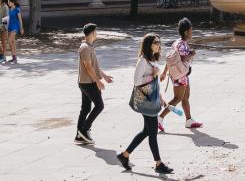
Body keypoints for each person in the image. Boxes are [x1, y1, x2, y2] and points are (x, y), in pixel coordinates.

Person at [118, 33, 173, 175]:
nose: (158, 45)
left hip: (152, 100)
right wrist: (153, 75)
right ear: (148, 44)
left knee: (147, 131)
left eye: (159, 42)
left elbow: (154, 83)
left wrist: (160, 97)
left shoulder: (153, 59)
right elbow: (137, 81)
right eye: (155, 42)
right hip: (145, 101)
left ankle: (124, 155)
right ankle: (159, 163)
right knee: (152, 132)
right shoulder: (143, 61)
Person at [160, 17, 202, 131]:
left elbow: (170, 59)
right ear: (186, 32)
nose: (192, 32)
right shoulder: (182, 45)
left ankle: (189, 120)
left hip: (180, 74)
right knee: (177, 98)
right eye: (191, 30)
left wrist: (164, 72)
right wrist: (192, 53)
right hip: (180, 75)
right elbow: (183, 59)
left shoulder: (176, 43)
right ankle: (160, 118)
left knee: (185, 97)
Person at [75, 23, 113, 145]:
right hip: (88, 82)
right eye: (95, 32)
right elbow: (88, 67)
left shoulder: (89, 46)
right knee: (99, 106)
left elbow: (94, 65)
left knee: (85, 108)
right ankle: (84, 130)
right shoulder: (85, 48)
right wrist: (97, 81)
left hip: (85, 82)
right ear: (92, 33)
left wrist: (105, 76)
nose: (96, 34)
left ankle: (79, 136)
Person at [5, 0, 23, 64]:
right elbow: (6, 19)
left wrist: (21, 28)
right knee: (13, 42)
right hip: (9, 27)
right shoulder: (9, 10)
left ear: (12, 2)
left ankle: (14, 56)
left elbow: (20, 19)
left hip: (15, 27)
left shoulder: (17, 9)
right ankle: (14, 58)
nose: (8, 3)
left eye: (9, 2)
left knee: (9, 41)